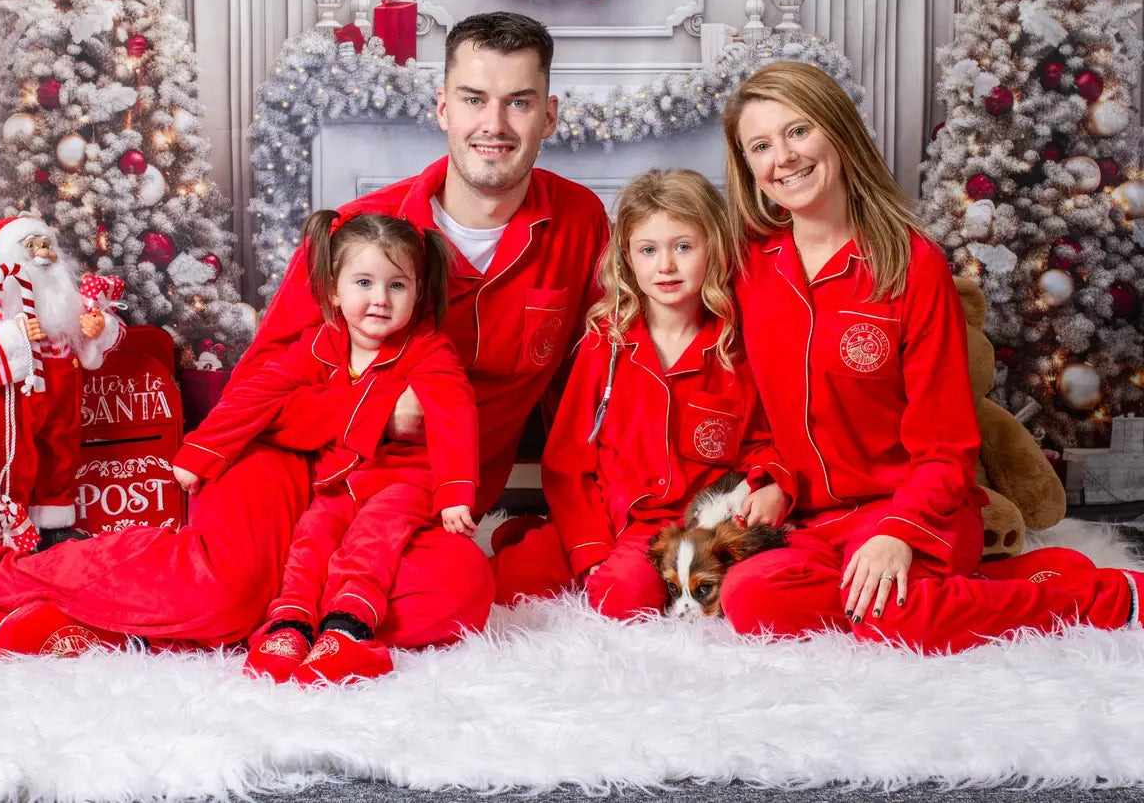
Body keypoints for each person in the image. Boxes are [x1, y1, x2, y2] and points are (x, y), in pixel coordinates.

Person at [0, 11, 607, 658]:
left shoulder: (580, 223)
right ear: (442, 108)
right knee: (227, 589)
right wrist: (374, 410)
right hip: (286, 461)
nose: (494, 125)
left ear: (547, 116)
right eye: (474, 99)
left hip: (413, 496)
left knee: (459, 595)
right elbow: (267, 377)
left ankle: (184, 613)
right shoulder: (362, 228)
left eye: (518, 102)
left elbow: (594, 391)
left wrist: (591, 539)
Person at [718, 60, 1143, 653]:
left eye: (797, 131)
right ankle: (999, 581)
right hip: (812, 522)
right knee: (751, 600)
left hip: (916, 506)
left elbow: (946, 443)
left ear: (836, 132)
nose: (782, 157)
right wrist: (770, 480)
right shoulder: (749, 270)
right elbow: (759, 414)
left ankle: (1099, 596)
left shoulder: (909, 266)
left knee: (906, 622)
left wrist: (900, 532)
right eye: (760, 145)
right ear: (747, 168)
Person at [171, 211, 477, 685]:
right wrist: (202, 451)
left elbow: (454, 414)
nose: (380, 300)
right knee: (312, 536)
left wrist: (456, 491)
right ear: (334, 290)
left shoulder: (428, 349)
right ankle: (290, 622)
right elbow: (259, 393)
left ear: (417, 293)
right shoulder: (320, 344)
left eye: (398, 286)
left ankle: (348, 626)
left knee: (371, 539)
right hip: (339, 479)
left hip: (405, 479)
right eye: (364, 283)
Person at [491, 169, 797, 618]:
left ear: (713, 248)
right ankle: (524, 535)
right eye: (648, 250)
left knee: (625, 597)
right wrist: (589, 548)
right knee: (506, 584)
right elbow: (567, 462)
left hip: (683, 531)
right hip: (606, 516)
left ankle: (568, 552)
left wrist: (769, 484)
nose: (666, 266)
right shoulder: (605, 343)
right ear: (627, 258)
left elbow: (767, 442)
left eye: (684, 247)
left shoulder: (737, 348)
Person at [0, 214, 124, 554]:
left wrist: (99, 328)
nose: (43, 254)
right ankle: (7, 532)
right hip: (15, 400)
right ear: (9, 258)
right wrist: (15, 335)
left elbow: (106, 337)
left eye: (47, 245)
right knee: (13, 462)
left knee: (59, 458)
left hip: (61, 397)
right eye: (31, 246)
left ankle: (53, 527)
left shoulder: (69, 301)